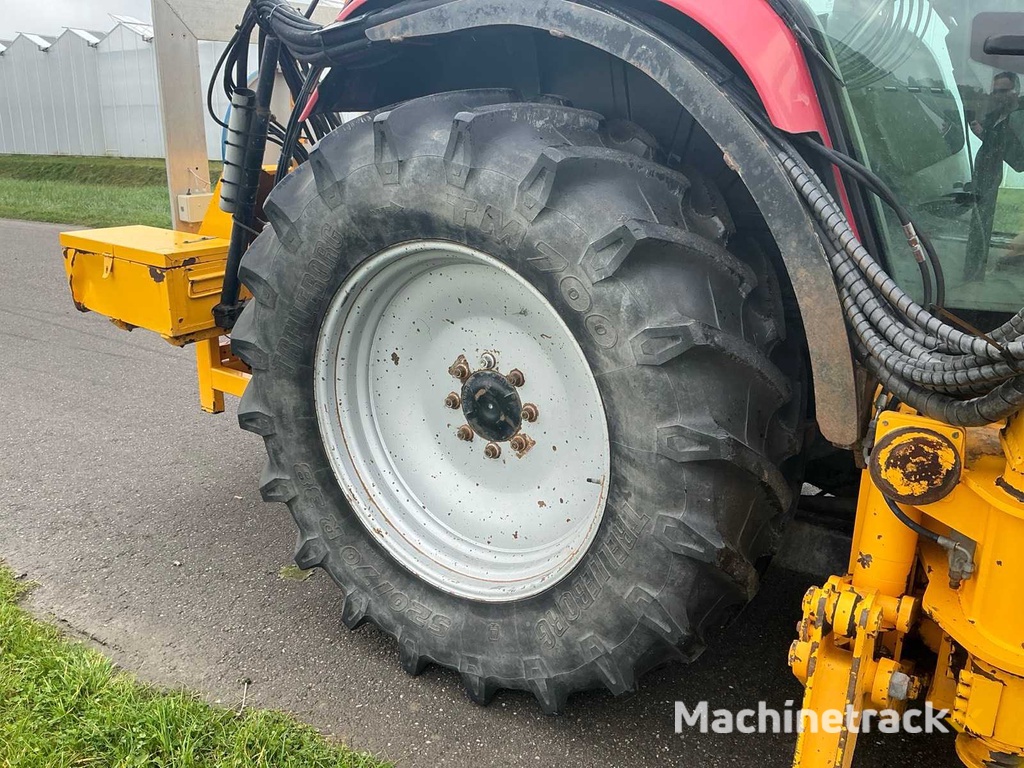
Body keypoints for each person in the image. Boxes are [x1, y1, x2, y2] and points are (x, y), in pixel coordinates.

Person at [964, 71, 1024, 282]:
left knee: (982, 226)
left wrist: (985, 134)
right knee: (978, 225)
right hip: (983, 175)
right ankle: (974, 271)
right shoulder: (997, 114)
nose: (997, 95)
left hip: (992, 177)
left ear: (1016, 91)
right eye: (995, 91)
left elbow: (1018, 158)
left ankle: (975, 271)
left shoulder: (1019, 118)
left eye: (1003, 91)